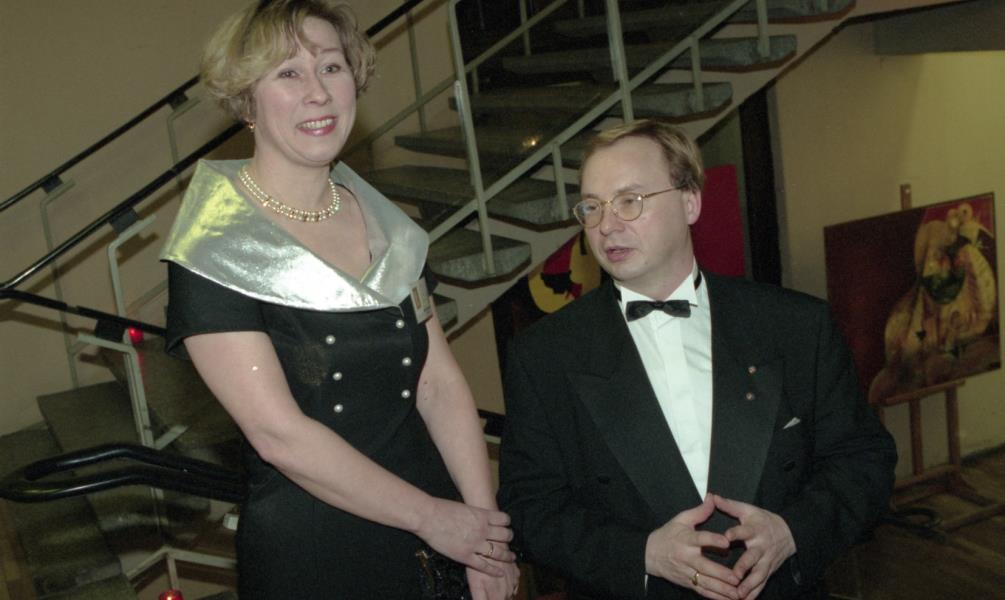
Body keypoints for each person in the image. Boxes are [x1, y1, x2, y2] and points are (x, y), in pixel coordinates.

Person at [160, 1, 519, 598]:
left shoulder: (386, 222)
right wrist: (435, 519)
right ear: (247, 101)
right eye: (288, 73)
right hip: (320, 549)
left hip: (445, 528)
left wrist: (486, 537)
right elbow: (276, 434)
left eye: (331, 66)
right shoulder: (213, 245)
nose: (318, 92)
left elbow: (439, 384)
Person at [497, 119, 897, 600]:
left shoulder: (795, 326)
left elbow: (863, 461)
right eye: (592, 207)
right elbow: (529, 509)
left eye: (629, 200)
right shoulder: (543, 355)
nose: (606, 226)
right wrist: (642, 554)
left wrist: (793, 531)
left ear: (690, 202)